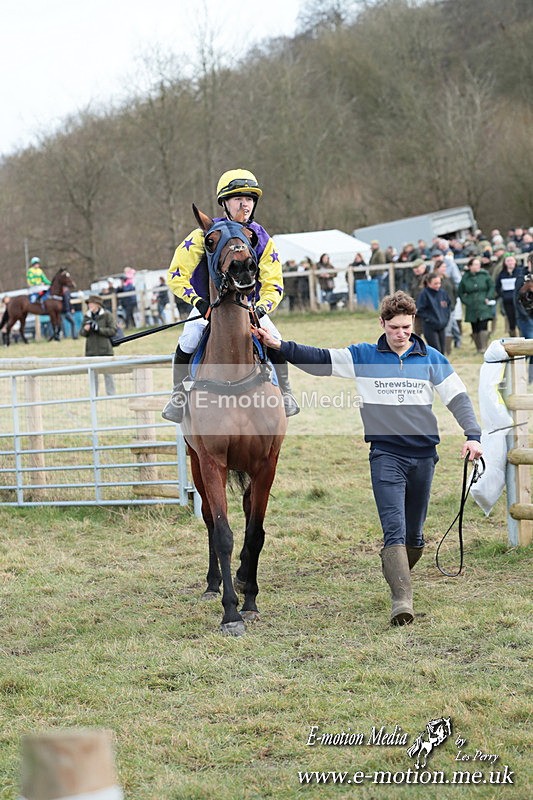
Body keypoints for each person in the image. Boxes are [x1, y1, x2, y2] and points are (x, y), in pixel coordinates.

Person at [254, 290, 482, 626]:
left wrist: (473, 435)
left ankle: (397, 568)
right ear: (382, 324)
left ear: (413, 322)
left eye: (406, 327)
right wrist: (279, 346)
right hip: (386, 454)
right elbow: (319, 359)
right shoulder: (363, 355)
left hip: (424, 457)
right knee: (395, 530)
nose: (401, 333)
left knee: (414, 537)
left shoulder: (432, 358)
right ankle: (402, 601)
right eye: (394, 327)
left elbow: (458, 398)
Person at [162, 168, 300, 422]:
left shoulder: (261, 238)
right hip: (208, 305)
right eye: (238, 198)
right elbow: (176, 274)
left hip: (248, 306)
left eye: (249, 198)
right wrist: (198, 302)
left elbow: (274, 283)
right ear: (224, 203)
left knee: (276, 338)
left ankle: (286, 392)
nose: (244, 203)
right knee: (188, 339)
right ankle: (178, 396)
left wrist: (260, 308)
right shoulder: (204, 234)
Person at [80, 295, 117, 395]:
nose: (89, 306)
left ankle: (111, 394)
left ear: (97, 305)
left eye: (91, 304)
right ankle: (93, 395)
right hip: (91, 350)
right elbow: (82, 333)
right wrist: (86, 329)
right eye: (89, 304)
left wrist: (99, 329)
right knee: (92, 375)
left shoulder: (107, 315)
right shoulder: (87, 316)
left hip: (105, 349)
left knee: (108, 374)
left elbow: (113, 330)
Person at [458, 256, 496, 353]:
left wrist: (488, 297)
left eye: (478, 264)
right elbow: (460, 292)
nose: (477, 266)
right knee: (474, 326)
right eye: (475, 264)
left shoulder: (485, 275)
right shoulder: (465, 278)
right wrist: (466, 301)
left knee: (484, 324)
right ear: (470, 266)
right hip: (472, 306)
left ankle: (484, 347)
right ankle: (478, 348)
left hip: (483, 304)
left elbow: (492, 287)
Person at [416, 272, 452, 354]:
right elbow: (420, 310)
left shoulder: (443, 293)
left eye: (439, 283)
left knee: (442, 351)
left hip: (442, 326)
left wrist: (445, 319)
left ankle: (442, 366)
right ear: (428, 283)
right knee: (436, 351)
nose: (438, 285)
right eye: (435, 283)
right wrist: (429, 319)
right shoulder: (424, 294)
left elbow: (448, 306)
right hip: (430, 327)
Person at [495, 254, 519, 337]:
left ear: (515, 261)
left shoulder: (519, 272)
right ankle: (514, 338)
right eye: (508, 261)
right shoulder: (501, 274)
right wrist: (503, 295)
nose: (510, 262)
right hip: (507, 301)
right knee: (510, 320)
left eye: (511, 260)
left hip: (519, 301)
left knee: (520, 319)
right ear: (505, 263)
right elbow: (497, 287)